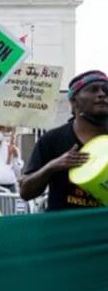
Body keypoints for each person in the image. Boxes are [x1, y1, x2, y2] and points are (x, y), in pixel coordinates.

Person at [19, 69, 108, 210]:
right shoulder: (52, 140)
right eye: (93, 90)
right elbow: (25, 192)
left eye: (105, 90)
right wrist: (52, 166)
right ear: (74, 101)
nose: (102, 94)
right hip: (65, 230)